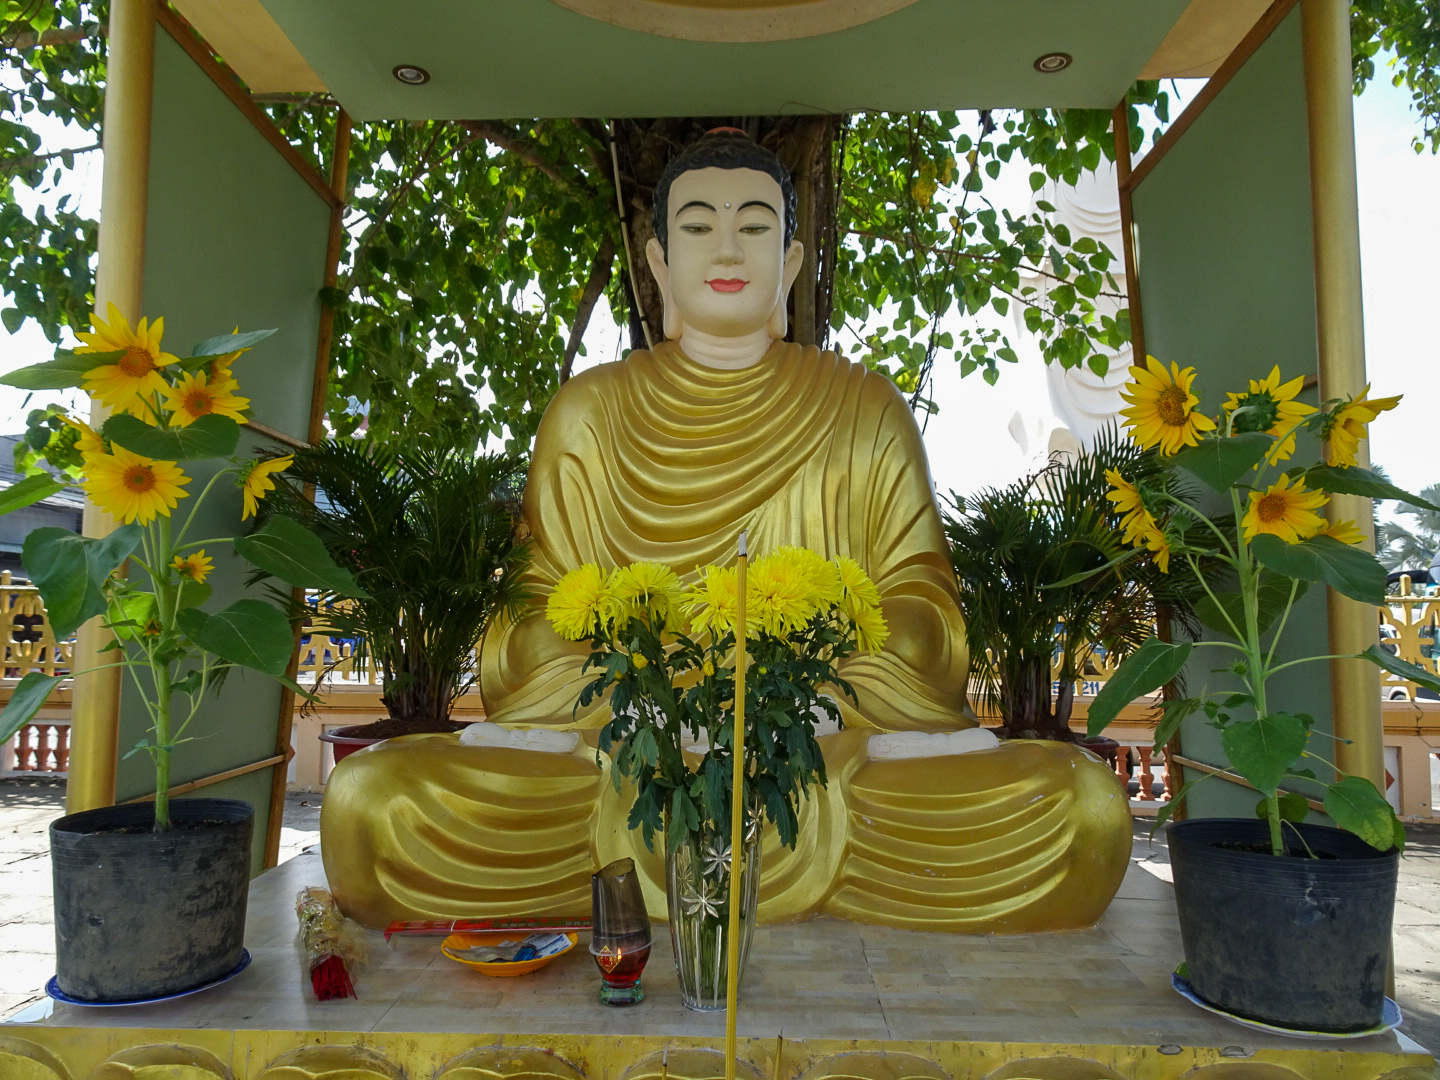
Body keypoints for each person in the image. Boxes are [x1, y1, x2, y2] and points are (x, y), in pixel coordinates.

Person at [321, 131, 1131, 933]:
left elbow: (930, 628)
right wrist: (643, 668)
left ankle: (671, 867)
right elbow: (522, 638)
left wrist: (803, 667)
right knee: (370, 806)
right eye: (699, 226)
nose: (727, 248)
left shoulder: (864, 409)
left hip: (824, 746)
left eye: (753, 226)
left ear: (791, 262)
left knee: (1083, 810)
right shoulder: (589, 413)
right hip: (622, 745)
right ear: (660, 264)